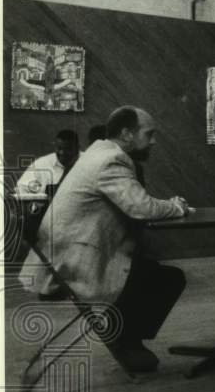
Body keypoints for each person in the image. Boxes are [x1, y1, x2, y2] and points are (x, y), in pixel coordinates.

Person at [21, 106, 191, 373]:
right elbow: (141, 207)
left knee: (151, 272)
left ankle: (126, 337)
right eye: (149, 134)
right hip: (76, 261)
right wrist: (176, 206)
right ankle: (127, 340)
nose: (154, 141)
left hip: (62, 254)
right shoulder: (112, 160)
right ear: (126, 134)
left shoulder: (99, 152)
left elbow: (136, 204)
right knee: (168, 278)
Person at [15, 129, 79, 196]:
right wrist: (42, 193)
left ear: (77, 147)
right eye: (59, 148)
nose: (62, 153)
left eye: (67, 149)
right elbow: (22, 187)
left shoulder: (86, 162)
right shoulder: (41, 163)